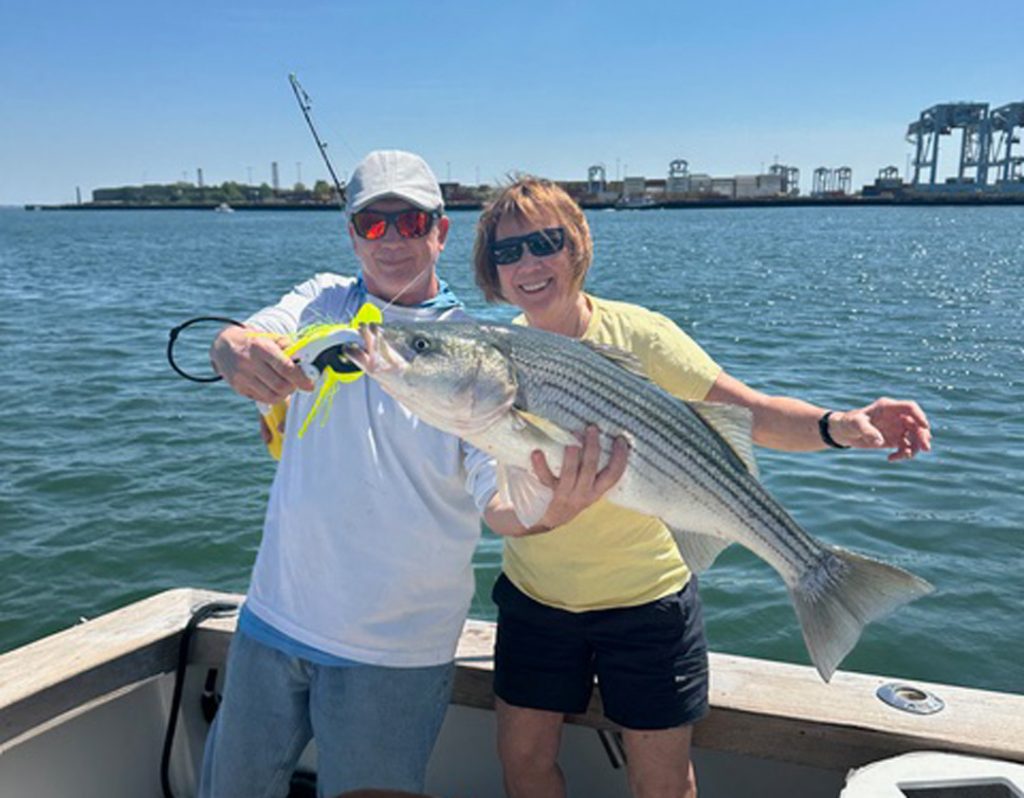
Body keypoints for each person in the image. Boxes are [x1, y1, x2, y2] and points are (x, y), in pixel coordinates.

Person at [471, 177, 932, 798]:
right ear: (491, 272)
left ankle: (819, 575)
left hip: (648, 604)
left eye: (545, 242)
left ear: (577, 246)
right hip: (538, 601)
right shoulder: (483, 371)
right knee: (522, 765)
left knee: (663, 785)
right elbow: (492, 501)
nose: (528, 263)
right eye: (508, 252)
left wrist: (839, 427)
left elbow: (751, 411)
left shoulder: (641, 335)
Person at [201, 153, 627, 797]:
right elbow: (241, 339)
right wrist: (233, 351)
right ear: (350, 233)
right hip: (272, 620)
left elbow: (500, 501)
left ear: (441, 232)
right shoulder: (321, 301)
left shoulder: (483, 351)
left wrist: (554, 509)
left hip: (396, 651)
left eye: (410, 222)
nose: (392, 239)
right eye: (372, 224)